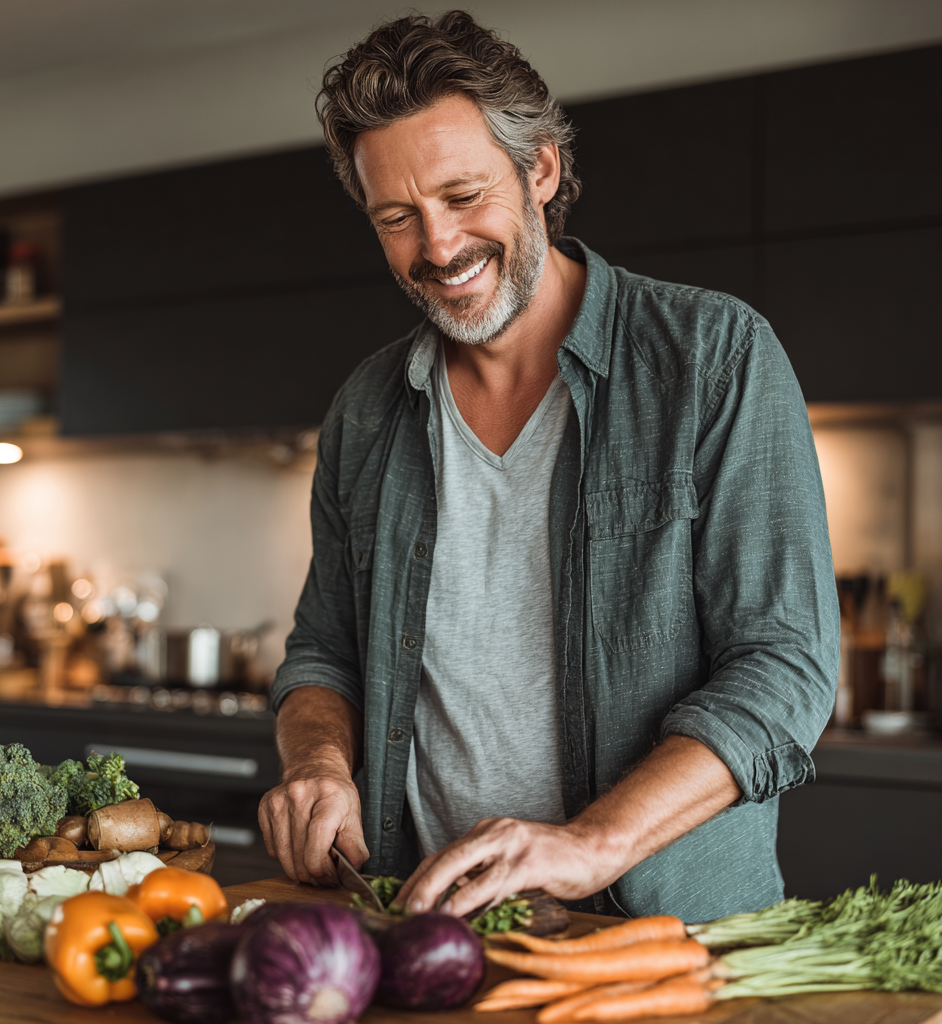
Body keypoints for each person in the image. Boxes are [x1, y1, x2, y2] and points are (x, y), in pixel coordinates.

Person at [257, 10, 838, 922]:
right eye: (397, 218)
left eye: (462, 196)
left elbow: (785, 669)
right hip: (430, 932)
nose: (438, 248)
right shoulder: (367, 411)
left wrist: (588, 843)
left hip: (661, 945)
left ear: (542, 171)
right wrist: (318, 764)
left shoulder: (714, 357)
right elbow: (324, 651)